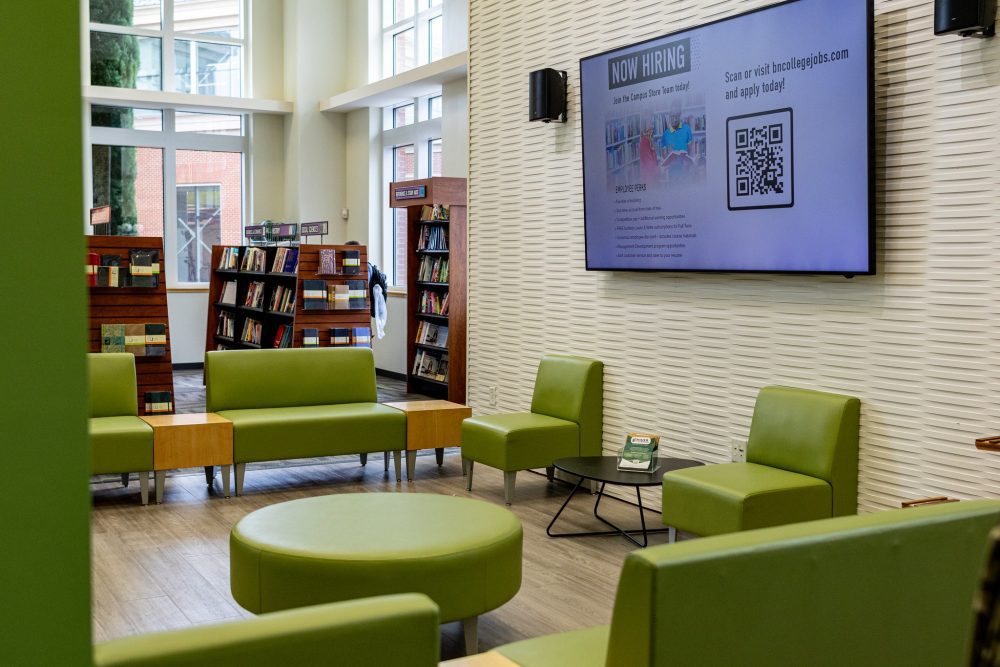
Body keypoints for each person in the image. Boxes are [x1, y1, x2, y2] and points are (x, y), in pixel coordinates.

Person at [659, 101, 694, 183]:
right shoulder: (665, 134)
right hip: (672, 174)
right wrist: (667, 157)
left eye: (676, 115)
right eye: (672, 116)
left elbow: (691, 151)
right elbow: (664, 156)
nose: (674, 119)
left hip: (686, 173)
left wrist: (689, 163)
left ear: (680, 114)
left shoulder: (687, 129)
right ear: (670, 115)